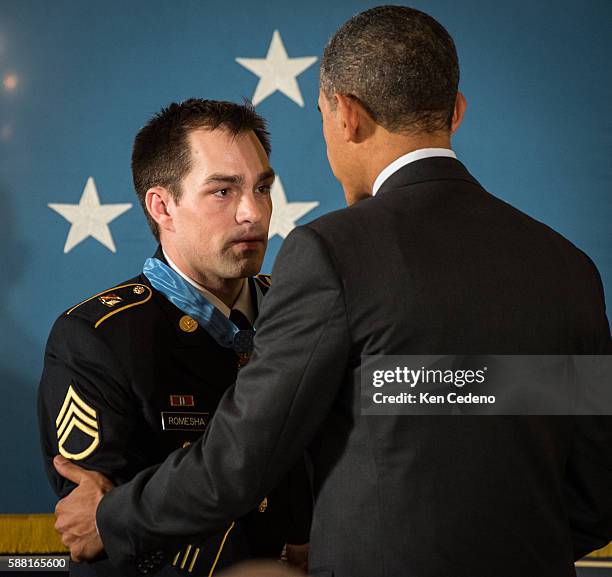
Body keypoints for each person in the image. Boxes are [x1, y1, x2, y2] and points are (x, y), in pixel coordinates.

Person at [53, 6, 612, 577]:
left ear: (344, 114)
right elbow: (594, 494)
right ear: (457, 112)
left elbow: (239, 461)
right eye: (223, 190)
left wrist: (112, 517)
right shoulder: (569, 267)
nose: (251, 211)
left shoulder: (334, 252)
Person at [38, 99, 310, 576]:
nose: (253, 212)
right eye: (223, 191)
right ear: (162, 205)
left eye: (262, 187)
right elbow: (98, 534)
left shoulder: (303, 312)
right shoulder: (96, 338)